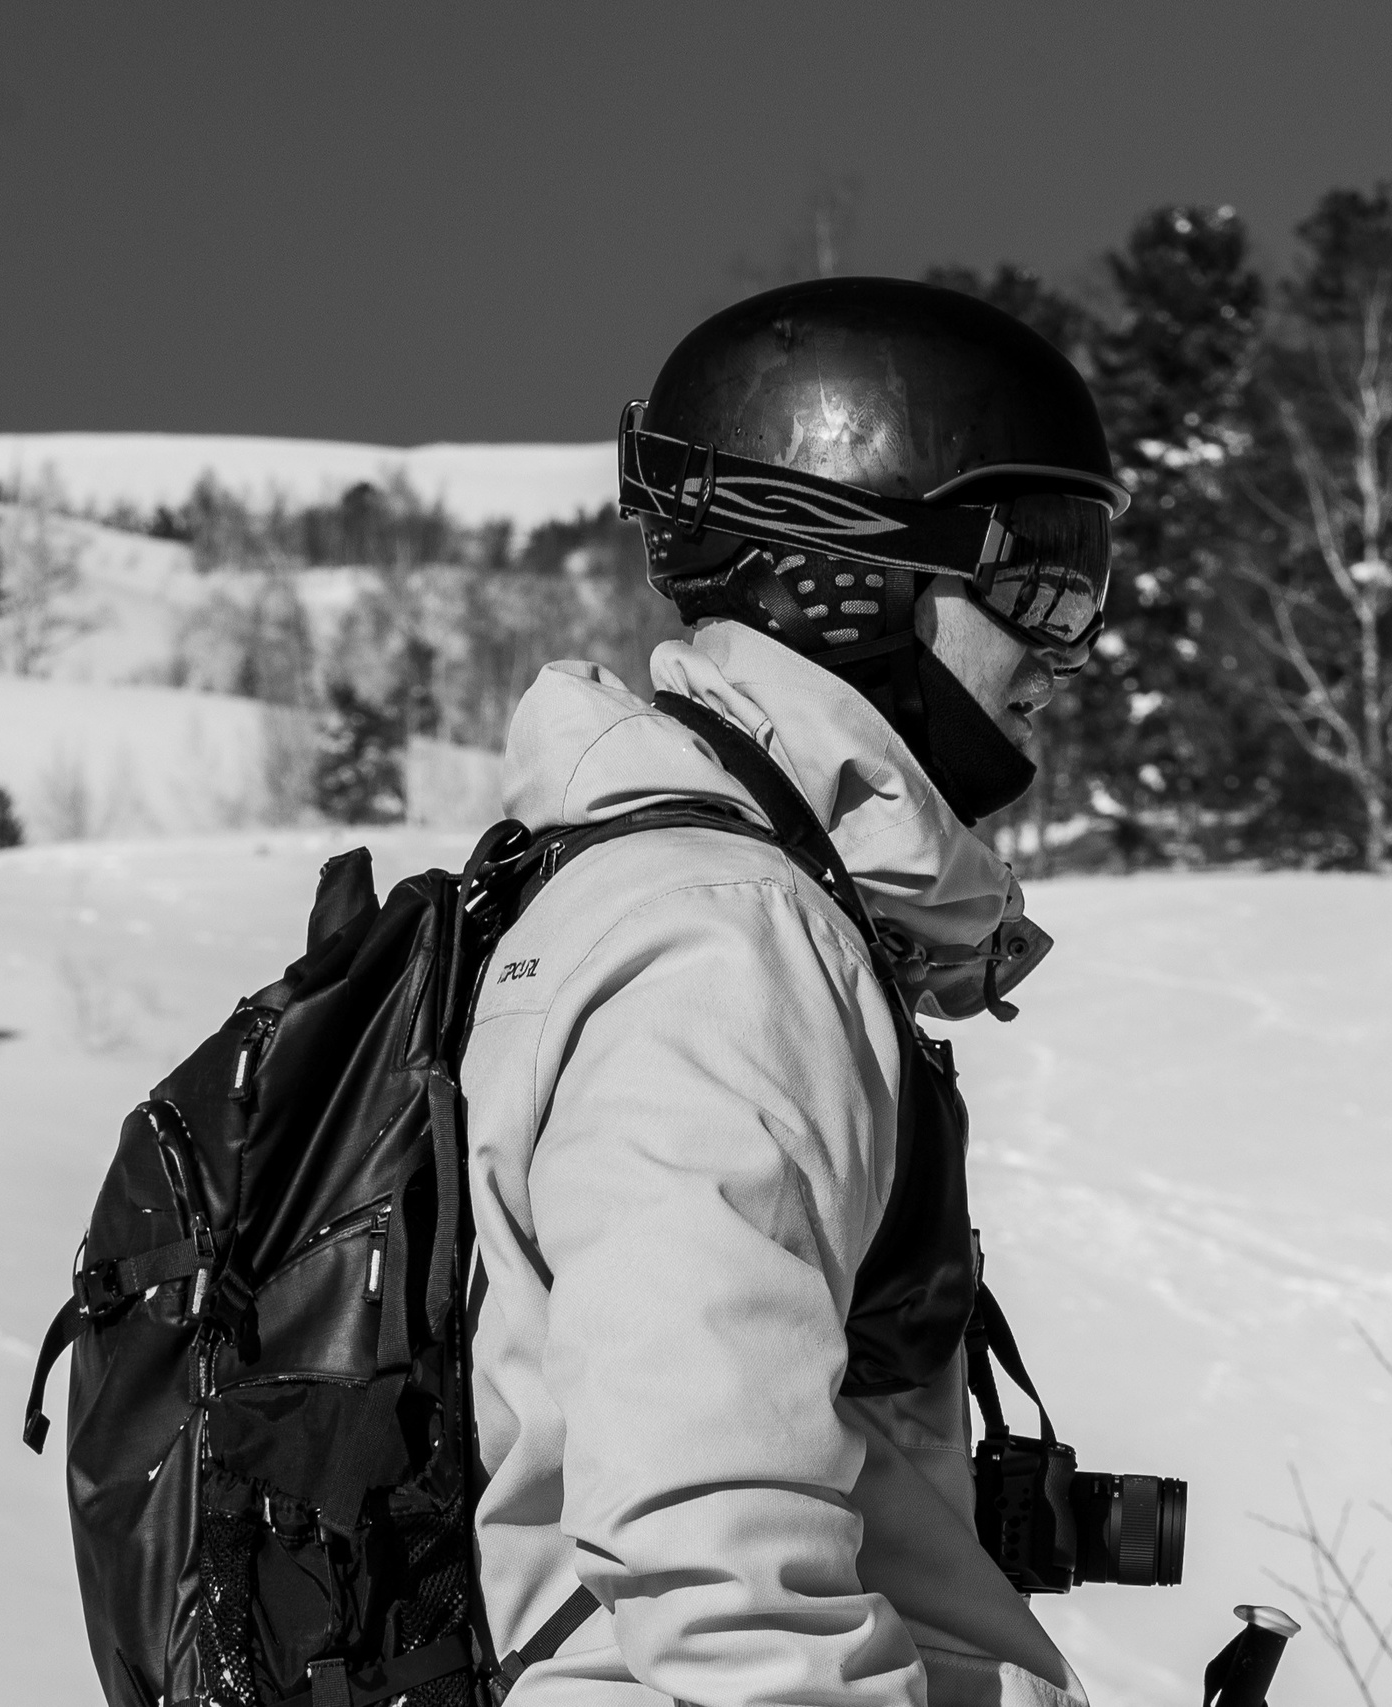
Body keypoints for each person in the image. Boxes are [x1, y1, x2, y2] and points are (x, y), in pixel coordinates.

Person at [461, 277, 1124, 1707]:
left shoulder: (701, 900)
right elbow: (717, 1553)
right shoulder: (725, 938)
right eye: (1043, 577)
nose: (1070, 646)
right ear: (848, 568)